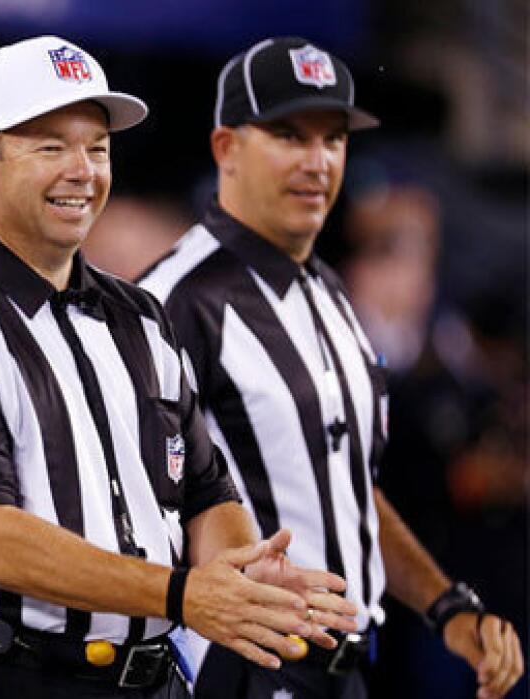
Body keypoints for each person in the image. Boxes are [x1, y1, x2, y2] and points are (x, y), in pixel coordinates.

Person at [0, 36, 359, 699]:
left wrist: (246, 577)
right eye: (51, 146)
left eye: (97, 148)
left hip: (148, 678)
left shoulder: (142, 316)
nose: (83, 170)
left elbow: (204, 491)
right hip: (4, 675)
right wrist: (182, 594)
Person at [137, 36, 524, 699]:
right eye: (289, 135)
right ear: (226, 148)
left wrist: (445, 606)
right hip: (237, 667)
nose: (317, 161)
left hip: (344, 670)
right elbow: (126, 508)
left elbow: (345, 486)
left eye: (333, 139)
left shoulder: (332, 295)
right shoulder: (176, 300)